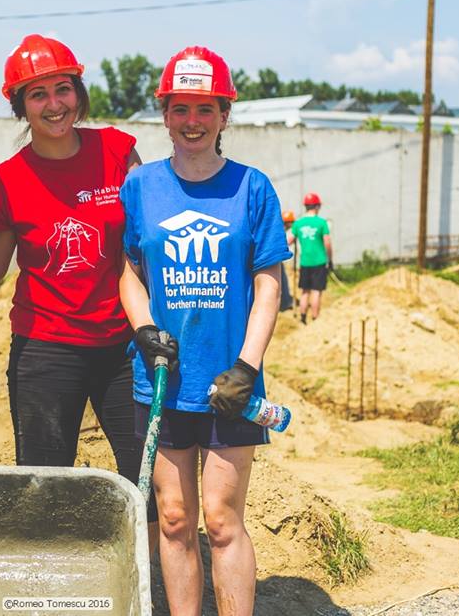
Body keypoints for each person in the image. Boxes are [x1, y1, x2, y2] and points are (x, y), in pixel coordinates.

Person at [119, 45, 291, 615]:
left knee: (221, 520)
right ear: (165, 114)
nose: (192, 121)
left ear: (224, 115)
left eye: (205, 109)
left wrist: (246, 367)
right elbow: (129, 272)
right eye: (180, 109)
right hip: (163, 381)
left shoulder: (252, 187)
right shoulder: (141, 186)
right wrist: (144, 328)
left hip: (230, 383)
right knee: (173, 518)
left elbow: (268, 285)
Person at [0, 34, 158, 531]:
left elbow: (147, 243)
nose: (54, 104)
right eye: (38, 94)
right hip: (46, 349)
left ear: (79, 92)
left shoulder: (117, 151)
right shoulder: (8, 180)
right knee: (44, 486)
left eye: (63, 89)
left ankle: (148, 573)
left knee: (149, 480)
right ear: (20, 106)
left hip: (124, 345)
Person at [288, 192, 333, 324]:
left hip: (305, 262)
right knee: (316, 291)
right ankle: (314, 319)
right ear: (317, 206)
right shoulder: (321, 223)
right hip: (319, 261)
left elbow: (289, 240)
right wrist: (330, 260)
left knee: (304, 291)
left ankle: (302, 317)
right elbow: (327, 243)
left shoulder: (298, 223)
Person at [280, 210, 295, 312]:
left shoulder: (280, 228)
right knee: (283, 280)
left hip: (277, 259)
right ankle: (285, 303)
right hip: (275, 260)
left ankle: (285, 302)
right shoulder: (279, 230)